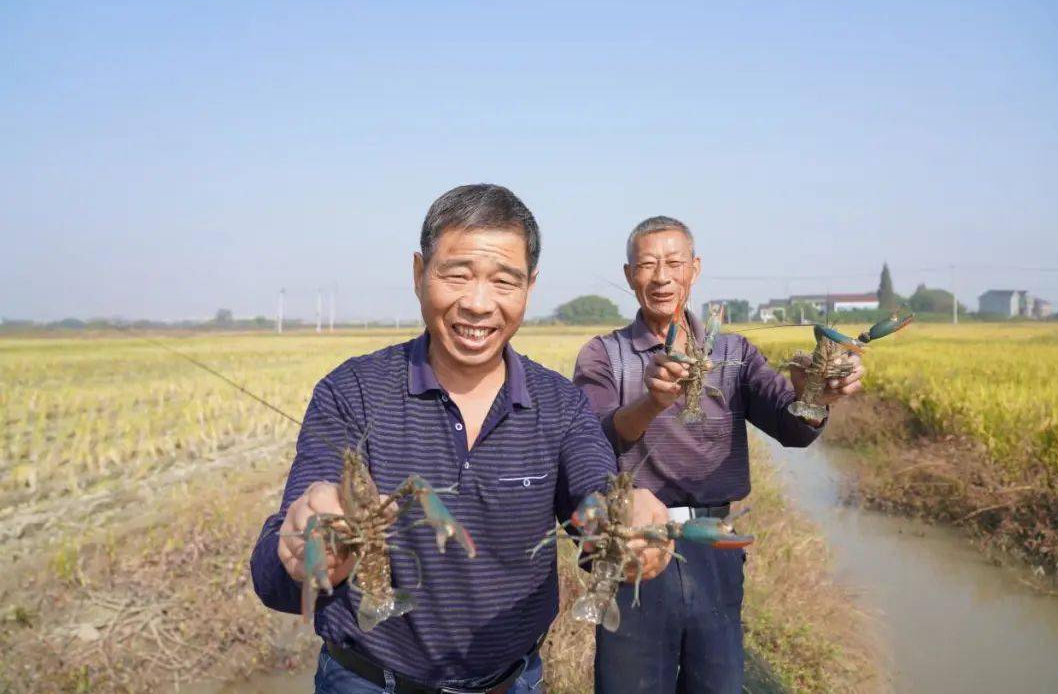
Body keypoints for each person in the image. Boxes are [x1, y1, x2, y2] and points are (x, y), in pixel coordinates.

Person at [250, 184, 671, 694]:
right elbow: (273, 580)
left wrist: (628, 530)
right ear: (418, 273)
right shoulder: (351, 391)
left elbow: (594, 502)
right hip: (365, 680)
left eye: (503, 281)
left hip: (512, 683)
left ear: (528, 289)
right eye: (457, 274)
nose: (478, 304)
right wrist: (300, 548)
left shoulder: (561, 404)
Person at [573, 216, 865, 694]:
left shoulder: (734, 351)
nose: (662, 277)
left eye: (674, 263)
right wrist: (652, 401)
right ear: (630, 275)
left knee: (719, 683)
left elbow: (789, 424)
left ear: (695, 268)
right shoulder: (604, 355)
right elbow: (594, 438)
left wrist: (817, 396)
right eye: (647, 265)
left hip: (714, 548)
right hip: (636, 545)